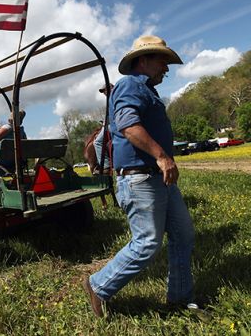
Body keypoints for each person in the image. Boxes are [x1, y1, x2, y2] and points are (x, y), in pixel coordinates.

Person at [82, 35, 197, 317]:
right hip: (141, 179)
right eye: (162, 61)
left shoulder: (146, 90)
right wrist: (162, 156)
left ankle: (180, 296)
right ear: (143, 60)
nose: (166, 69)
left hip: (158, 179)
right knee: (147, 242)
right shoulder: (130, 85)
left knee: (183, 234)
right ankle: (99, 285)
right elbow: (128, 125)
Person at [92, 83, 114, 173]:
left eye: (105, 90)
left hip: (114, 125)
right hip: (114, 123)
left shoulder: (113, 97)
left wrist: (105, 123)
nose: (104, 92)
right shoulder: (114, 97)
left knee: (97, 142)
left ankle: (105, 166)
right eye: (103, 91)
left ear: (111, 88)